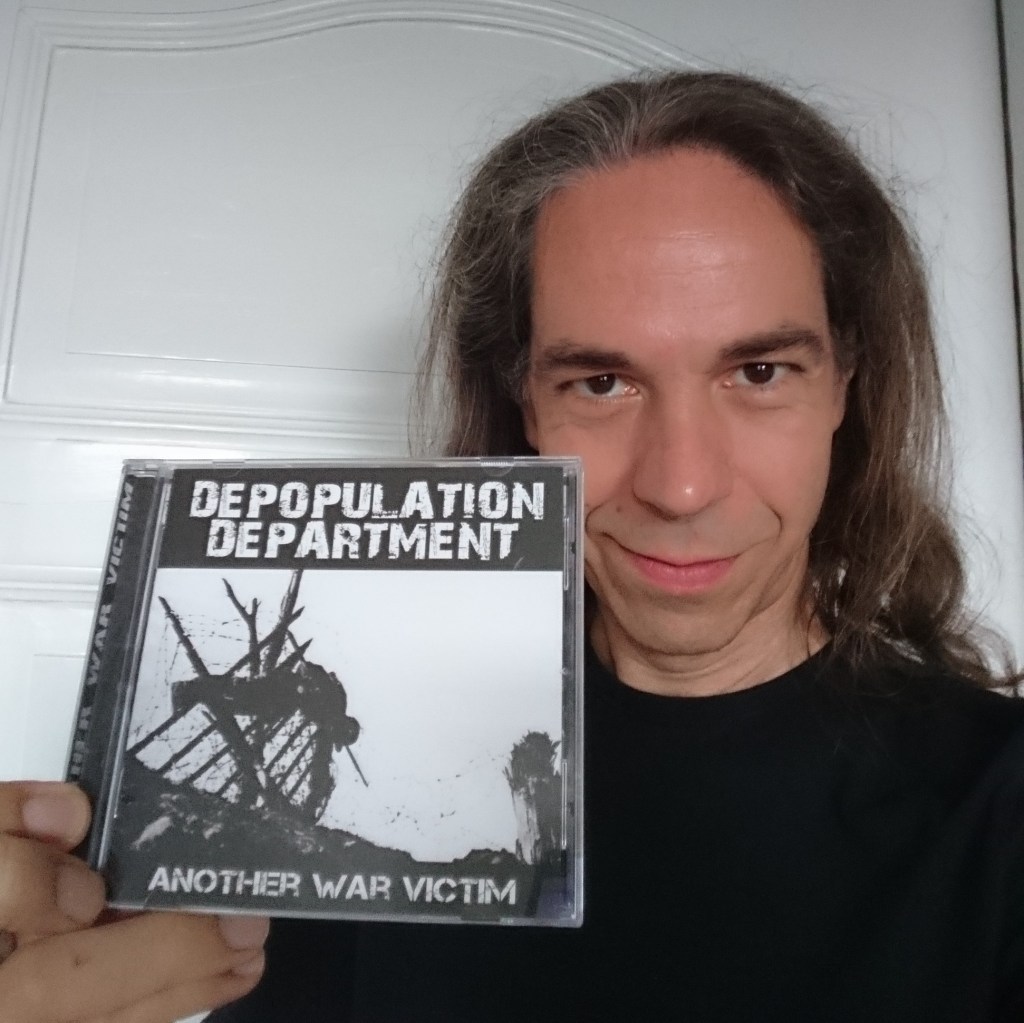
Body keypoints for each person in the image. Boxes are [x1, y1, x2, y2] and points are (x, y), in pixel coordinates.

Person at [1, 68, 1023, 1021]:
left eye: (758, 373)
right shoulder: (365, 796)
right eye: (600, 383)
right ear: (525, 403)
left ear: (846, 383)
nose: (679, 486)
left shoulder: (999, 807)